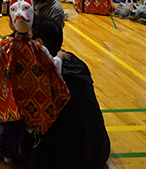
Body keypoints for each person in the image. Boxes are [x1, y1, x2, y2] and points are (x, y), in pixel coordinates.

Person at [0, 0, 69, 165]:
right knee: (24, 123)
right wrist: (58, 58)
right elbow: (51, 68)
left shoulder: (1, 45)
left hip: (6, 96)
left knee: (6, 121)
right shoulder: (38, 48)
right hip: (30, 99)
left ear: (11, 23)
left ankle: (4, 151)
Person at [30, 16, 112, 169]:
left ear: (39, 42)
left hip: (67, 159)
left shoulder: (43, 71)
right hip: (99, 151)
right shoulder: (75, 62)